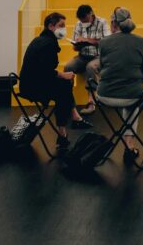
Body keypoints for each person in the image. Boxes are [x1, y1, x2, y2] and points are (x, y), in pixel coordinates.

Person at [93, 6, 143, 163]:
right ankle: (130, 146)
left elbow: (102, 68)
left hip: (104, 96)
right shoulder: (141, 41)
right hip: (131, 96)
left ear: (112, 23)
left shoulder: (103, 43)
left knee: (134, 93)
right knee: (135, 97)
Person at [19, 12, 92, 154]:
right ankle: (63, 131)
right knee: (64, 88)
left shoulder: (41, 39)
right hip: (32, 88)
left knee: (63, 86)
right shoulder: (48, 44)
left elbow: (43, 70)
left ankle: (68, 127)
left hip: (28, 83)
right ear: (51, 26)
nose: (64, 29)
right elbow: (45, 70)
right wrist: (63, 75)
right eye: (61, 26)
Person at [63, 4, 110, 115]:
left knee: (91, 67)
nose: (83, 22)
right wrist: (78, 44)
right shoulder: (78, 24)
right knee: (68, 67)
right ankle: (66, 99)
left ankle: (91, 101)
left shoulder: (102, 22)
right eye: (81, 20)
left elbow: (107, 43)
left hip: (99, 57)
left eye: (85, 19)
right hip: (82, 56)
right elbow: (74, 48)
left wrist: (88, 40)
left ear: (91, 13)